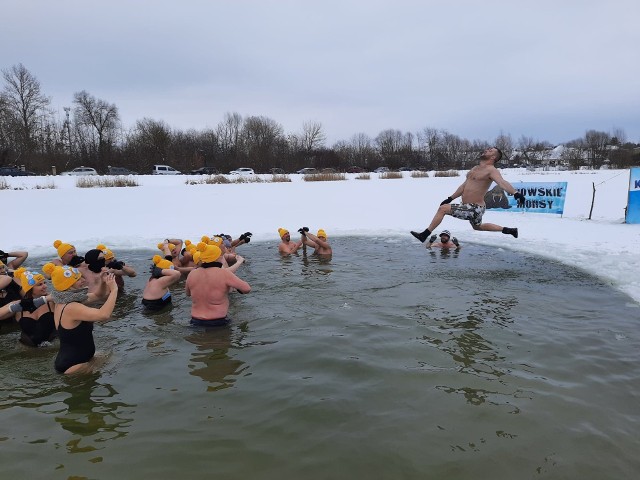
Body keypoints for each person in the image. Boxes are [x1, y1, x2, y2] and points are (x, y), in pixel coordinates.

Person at [410, 147, 525, 242]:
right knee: (477, 227)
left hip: (475, 207)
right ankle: (508, 230)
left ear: (493, 157)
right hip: (471, 207)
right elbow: (464, 186)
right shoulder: (475, 169)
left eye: (490, 151)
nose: (486, 150)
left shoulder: (491, 170)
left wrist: (515, 193)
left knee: (443, 209)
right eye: (487, 149)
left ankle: (424, 235)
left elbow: (502, 182)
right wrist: (450, 198)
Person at [42, 263, 119, 375]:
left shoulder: (64, 300)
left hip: (75, 360)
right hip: (75, 365)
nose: (84, 280)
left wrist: (102, 282)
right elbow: (104, 315)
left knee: (114, 359)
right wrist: (114, 289)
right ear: (68, 285)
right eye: (78, 279)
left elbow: (99, 295)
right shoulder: (71, 307)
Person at [185, 242, 251, 327]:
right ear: (217, 258)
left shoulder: (192, 273)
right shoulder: (224, 273)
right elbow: (246, 289)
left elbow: (188, 293)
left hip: (195, 321)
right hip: (217, 321)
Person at [12, 268, 56, 347]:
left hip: (53, 347)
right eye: (40, 284)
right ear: (29, 289)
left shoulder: (52, 300)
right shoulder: (18, 306)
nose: (45, 286)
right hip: (27, 351)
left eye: (44, 283)